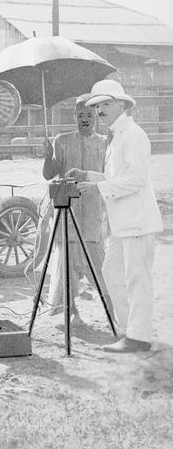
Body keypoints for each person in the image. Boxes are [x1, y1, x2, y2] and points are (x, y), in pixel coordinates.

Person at [67, 79, 163, 353]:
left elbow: (135, 180)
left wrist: (97, 187)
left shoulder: (133, 135)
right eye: (96, 106)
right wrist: (87, 175)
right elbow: (115, 177)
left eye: (106, 104)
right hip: (122, 223)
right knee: (110, 272)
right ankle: (128, 330)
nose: (100, 110)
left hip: (137, 221)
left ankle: (139, 337)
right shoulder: (117, 137)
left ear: (122, 104)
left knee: (137, 278)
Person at [40, 94, 108, 325]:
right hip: (67, 209)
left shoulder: (105, 143)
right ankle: (71, 310)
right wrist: (48, 156)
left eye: (89, 115)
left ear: (96, 116)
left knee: (99, 262)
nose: (85, 119)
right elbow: (49, 174)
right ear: (74, 117)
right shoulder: (62, 140)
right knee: (67, 262)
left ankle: (114, 310)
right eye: (80, 115)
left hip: (92, 209)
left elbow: (111, 176)